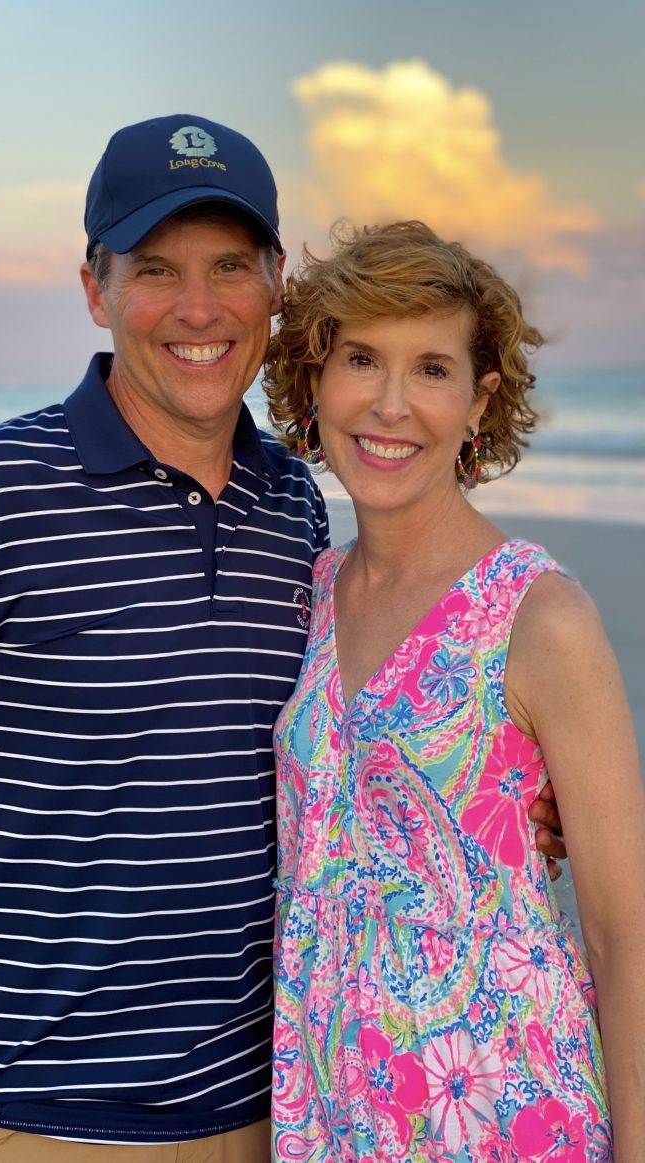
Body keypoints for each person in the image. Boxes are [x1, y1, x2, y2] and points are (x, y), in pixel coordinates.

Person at [0, 120, 565, 1163]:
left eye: (231, 266)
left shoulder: (292, 503)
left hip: (288, 1107)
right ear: (95, 288)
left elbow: (329, 757)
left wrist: (504, 792)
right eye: (156, 268)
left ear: (278, 283)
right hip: (41, 1122)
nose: (199, 309)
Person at [265, 222, 645, 1160]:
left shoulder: (538, 616)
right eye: (361, 358)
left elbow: (623, 931)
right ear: (315, 381)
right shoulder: (312, 591)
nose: (390, 403)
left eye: (431, 369)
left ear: (480, 404)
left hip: (506, 1115)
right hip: (330, 1115)